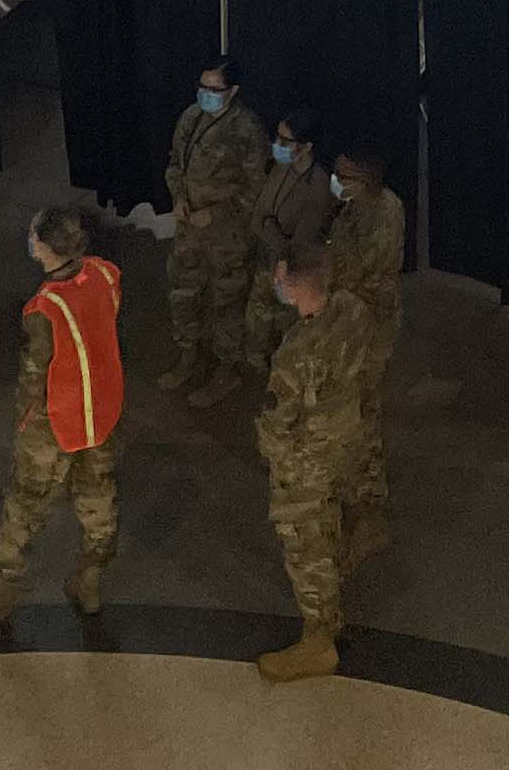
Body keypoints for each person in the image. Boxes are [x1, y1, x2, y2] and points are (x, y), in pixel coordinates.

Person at [0, 206, 127, 623]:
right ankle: (89, 579)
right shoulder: (105, 272)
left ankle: (4, 588)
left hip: (58, 420)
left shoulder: (42, 308)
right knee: (98, 501)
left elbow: (35, 378)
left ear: (44, 247)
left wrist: (25, 423)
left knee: (25, 504)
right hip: (102, 413)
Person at [251, 253, 381, 683]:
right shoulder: (352, 311)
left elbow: (280, 420)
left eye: (282, 274)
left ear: (295, 283)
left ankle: (318, 640)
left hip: (307, 459)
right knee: (332, 516)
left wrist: (271, 448)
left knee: (305, 545)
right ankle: (358, 540)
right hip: (347, 441)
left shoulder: (296, 353)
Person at [161, 52, 267, 399]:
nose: (206, 93)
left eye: (214, 88)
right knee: (184, 292)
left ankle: (227, 369)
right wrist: (178, 197)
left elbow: (255, 189)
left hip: (228, 237)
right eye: (202, 86)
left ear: (232, 91)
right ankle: (188, 355)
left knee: (228, 301)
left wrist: (218, 214)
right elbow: (175, 164)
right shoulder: (191, 118)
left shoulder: (247, 130)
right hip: (189, 228)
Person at [323, 144, 404, 565]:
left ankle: (370, 513)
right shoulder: (352, 208)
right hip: (347, 321)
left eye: (345, 177)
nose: (337, 182)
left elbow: (364, 268)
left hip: (370, 326)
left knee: (362, 413)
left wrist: (323, 276)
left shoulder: (384, 212)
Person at [239, 109, 334, 377]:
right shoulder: (281, 169)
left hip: (294, 272)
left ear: (306, 147)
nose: (277, 146)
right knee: (256, 324)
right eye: (277, 138)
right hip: (267, 263)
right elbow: (259, 217)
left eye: (285, 141)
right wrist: (273, 232)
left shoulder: (318, 185)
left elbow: (301, 242)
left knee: (289, 334)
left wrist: (273, 234)